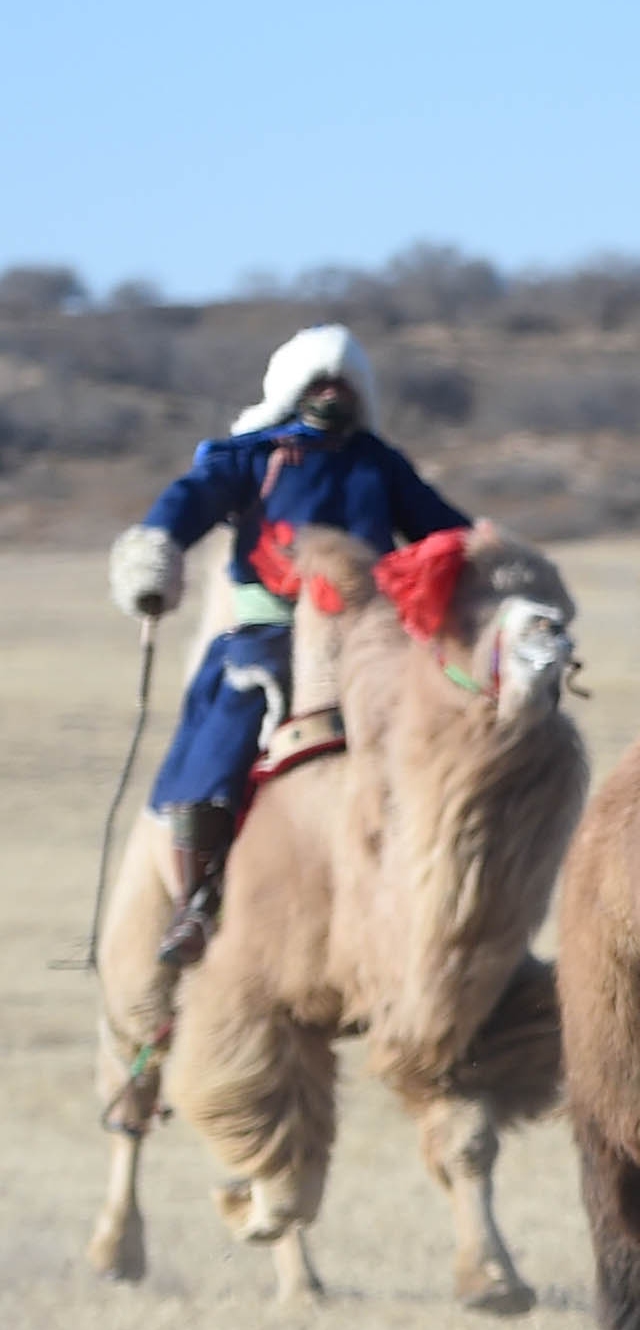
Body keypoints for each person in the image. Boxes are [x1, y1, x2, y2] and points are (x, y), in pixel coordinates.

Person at [106, 327, 470, 967]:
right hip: (270, 629)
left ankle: (456, 891)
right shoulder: (253, 455)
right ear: (293, 387)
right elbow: (190, 499)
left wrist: (487, 563)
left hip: (369, 634)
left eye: (343, 382)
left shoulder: (378, 463)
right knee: (233, 714)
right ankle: (199, 895)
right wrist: (155, 553)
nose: (332, 392)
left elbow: (441, 528)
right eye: (319, 380)